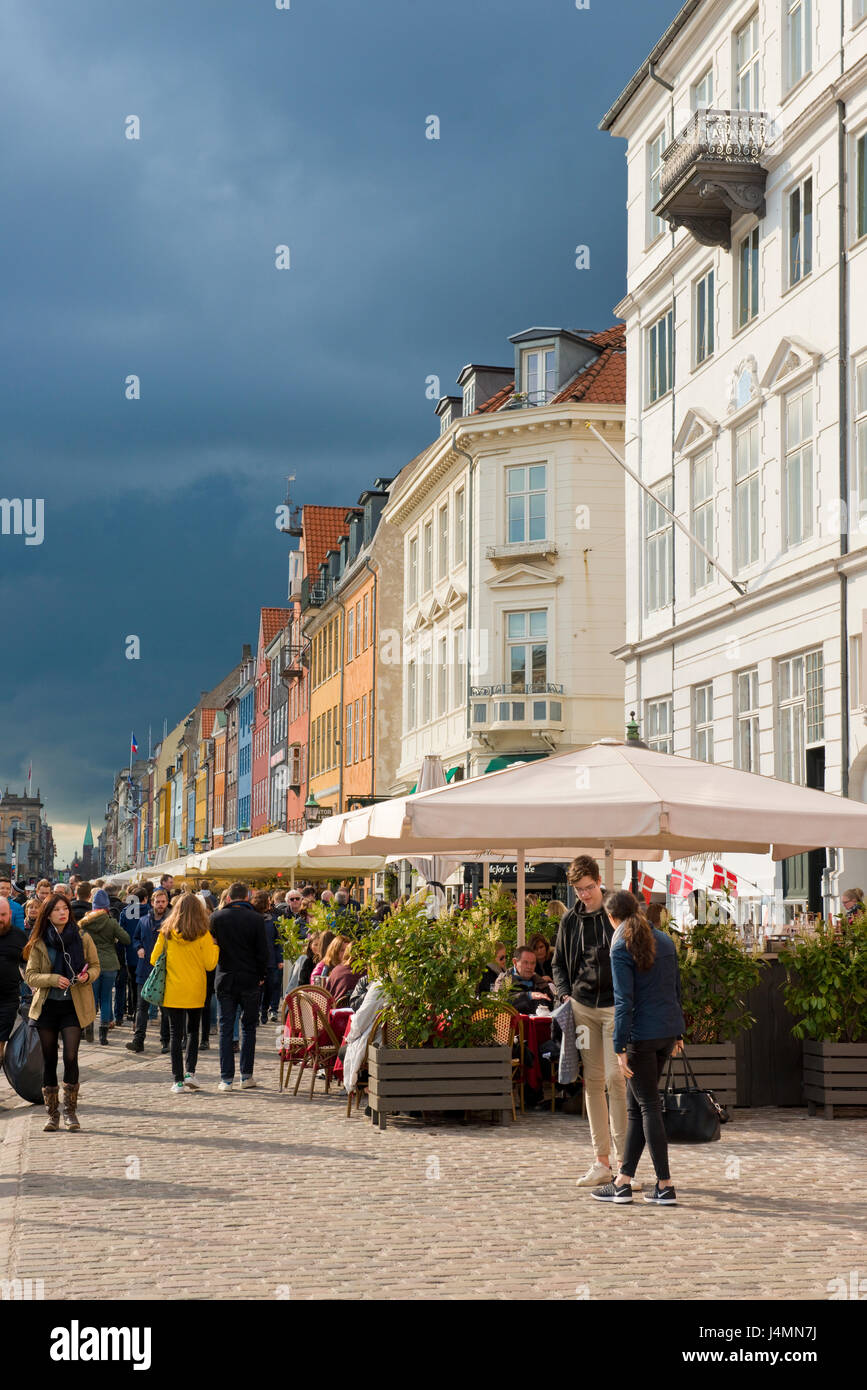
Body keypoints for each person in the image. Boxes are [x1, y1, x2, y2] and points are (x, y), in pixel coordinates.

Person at [590, 890, 685, 1208]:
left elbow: (624, 1002)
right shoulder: (666, 941)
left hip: (640, 1037)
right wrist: (679, 1032)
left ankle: (665, 1184)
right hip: (665, 1033)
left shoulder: (620, 947)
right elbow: (675, 990)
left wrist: (619, 1047)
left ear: (611, 917)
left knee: (647, 1106)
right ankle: (622, 1182)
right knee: (636, 1108)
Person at [552, 855, 628, 1189]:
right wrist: (565, 995)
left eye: (588, 887)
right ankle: (601, 1161)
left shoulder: (618, 911)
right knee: (593, 1081)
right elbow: (557, 964)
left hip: (614, 1008)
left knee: (616, 1078)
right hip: (582, 1008)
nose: (584, 894)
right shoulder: (570, 920)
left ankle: (627, 1161)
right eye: (579, 890)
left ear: (599, 880)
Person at [23, 892, 100, 1132]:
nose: (62, 913)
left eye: (65, 908)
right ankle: (52, 1113)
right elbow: (31, 975)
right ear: (48, 913)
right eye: (56, 909)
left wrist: (88, 976)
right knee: (48, 1059)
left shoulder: (82, 937)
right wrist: (54, 978)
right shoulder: (39, 942)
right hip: (47, 1006)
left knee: (71, 1056)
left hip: (72, 1006)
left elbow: (96, 966)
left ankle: (70, 1111)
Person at [149, 894, 220, 1093]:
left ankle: (177, 1080)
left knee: (174, 1034)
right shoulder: (203, 934)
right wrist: (215, 947)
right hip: (195, 989)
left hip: (172, 989)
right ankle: (190, 1072)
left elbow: (154, 959)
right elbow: (210, 964)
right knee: (192, 1032)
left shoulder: (166, 932)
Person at [209, 882, 270, 1092]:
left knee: (226, 1028)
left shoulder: (216, 918)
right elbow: (263, 951)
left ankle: (226, 1078)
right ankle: (246, 1075)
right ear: (247, 897)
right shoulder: (256, 919)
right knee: (248, 1028)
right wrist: (262, 975)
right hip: (250, 978)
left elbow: (212, 948)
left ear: (228, 898)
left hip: (225, 977)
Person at [79, 890, 130, 1044]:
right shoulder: (111, 922)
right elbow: (126, 939)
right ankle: (103, 1036)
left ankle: (89, 1028)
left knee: (92, 998)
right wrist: (113, 940)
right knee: (106, 998)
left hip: (90, 966)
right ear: (107, 907)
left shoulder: (85, 923)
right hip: (109, 965)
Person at [126, 889, 172, 1053]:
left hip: (165, 971)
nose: (160, 905)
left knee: (165, 1009)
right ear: (152, 903)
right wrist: (138, 947)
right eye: (157, 902)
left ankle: (166, 1041)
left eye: (163, 902)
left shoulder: (172, 921)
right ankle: (138, 1040)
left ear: (167, 903)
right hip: (144, 969)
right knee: (141, 1007)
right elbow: (136, 937)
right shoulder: (144, 920)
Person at [0, 898, 27, 1068]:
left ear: (10, 914)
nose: (0, 919)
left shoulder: (19, 936)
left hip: (8, 999)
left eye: (3, 915)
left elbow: (29, 964)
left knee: (0, 1042)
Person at [493, 945, 555, 1015]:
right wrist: (529, 995)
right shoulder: (504, 979)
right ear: (515, 962)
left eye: (533, 963)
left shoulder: (540, 982)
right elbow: (500, 1001)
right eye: (525, 963)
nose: (529, 967)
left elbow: (551, 1004)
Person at [252, 890, 282, 1024]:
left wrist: (280, 959)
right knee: (257, 989)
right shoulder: (251, 919)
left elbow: (278, 941)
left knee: (271, 987)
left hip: (271, 959)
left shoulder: (273, 920)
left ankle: (264, 1009)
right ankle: (257, 1011)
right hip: (256, 960)